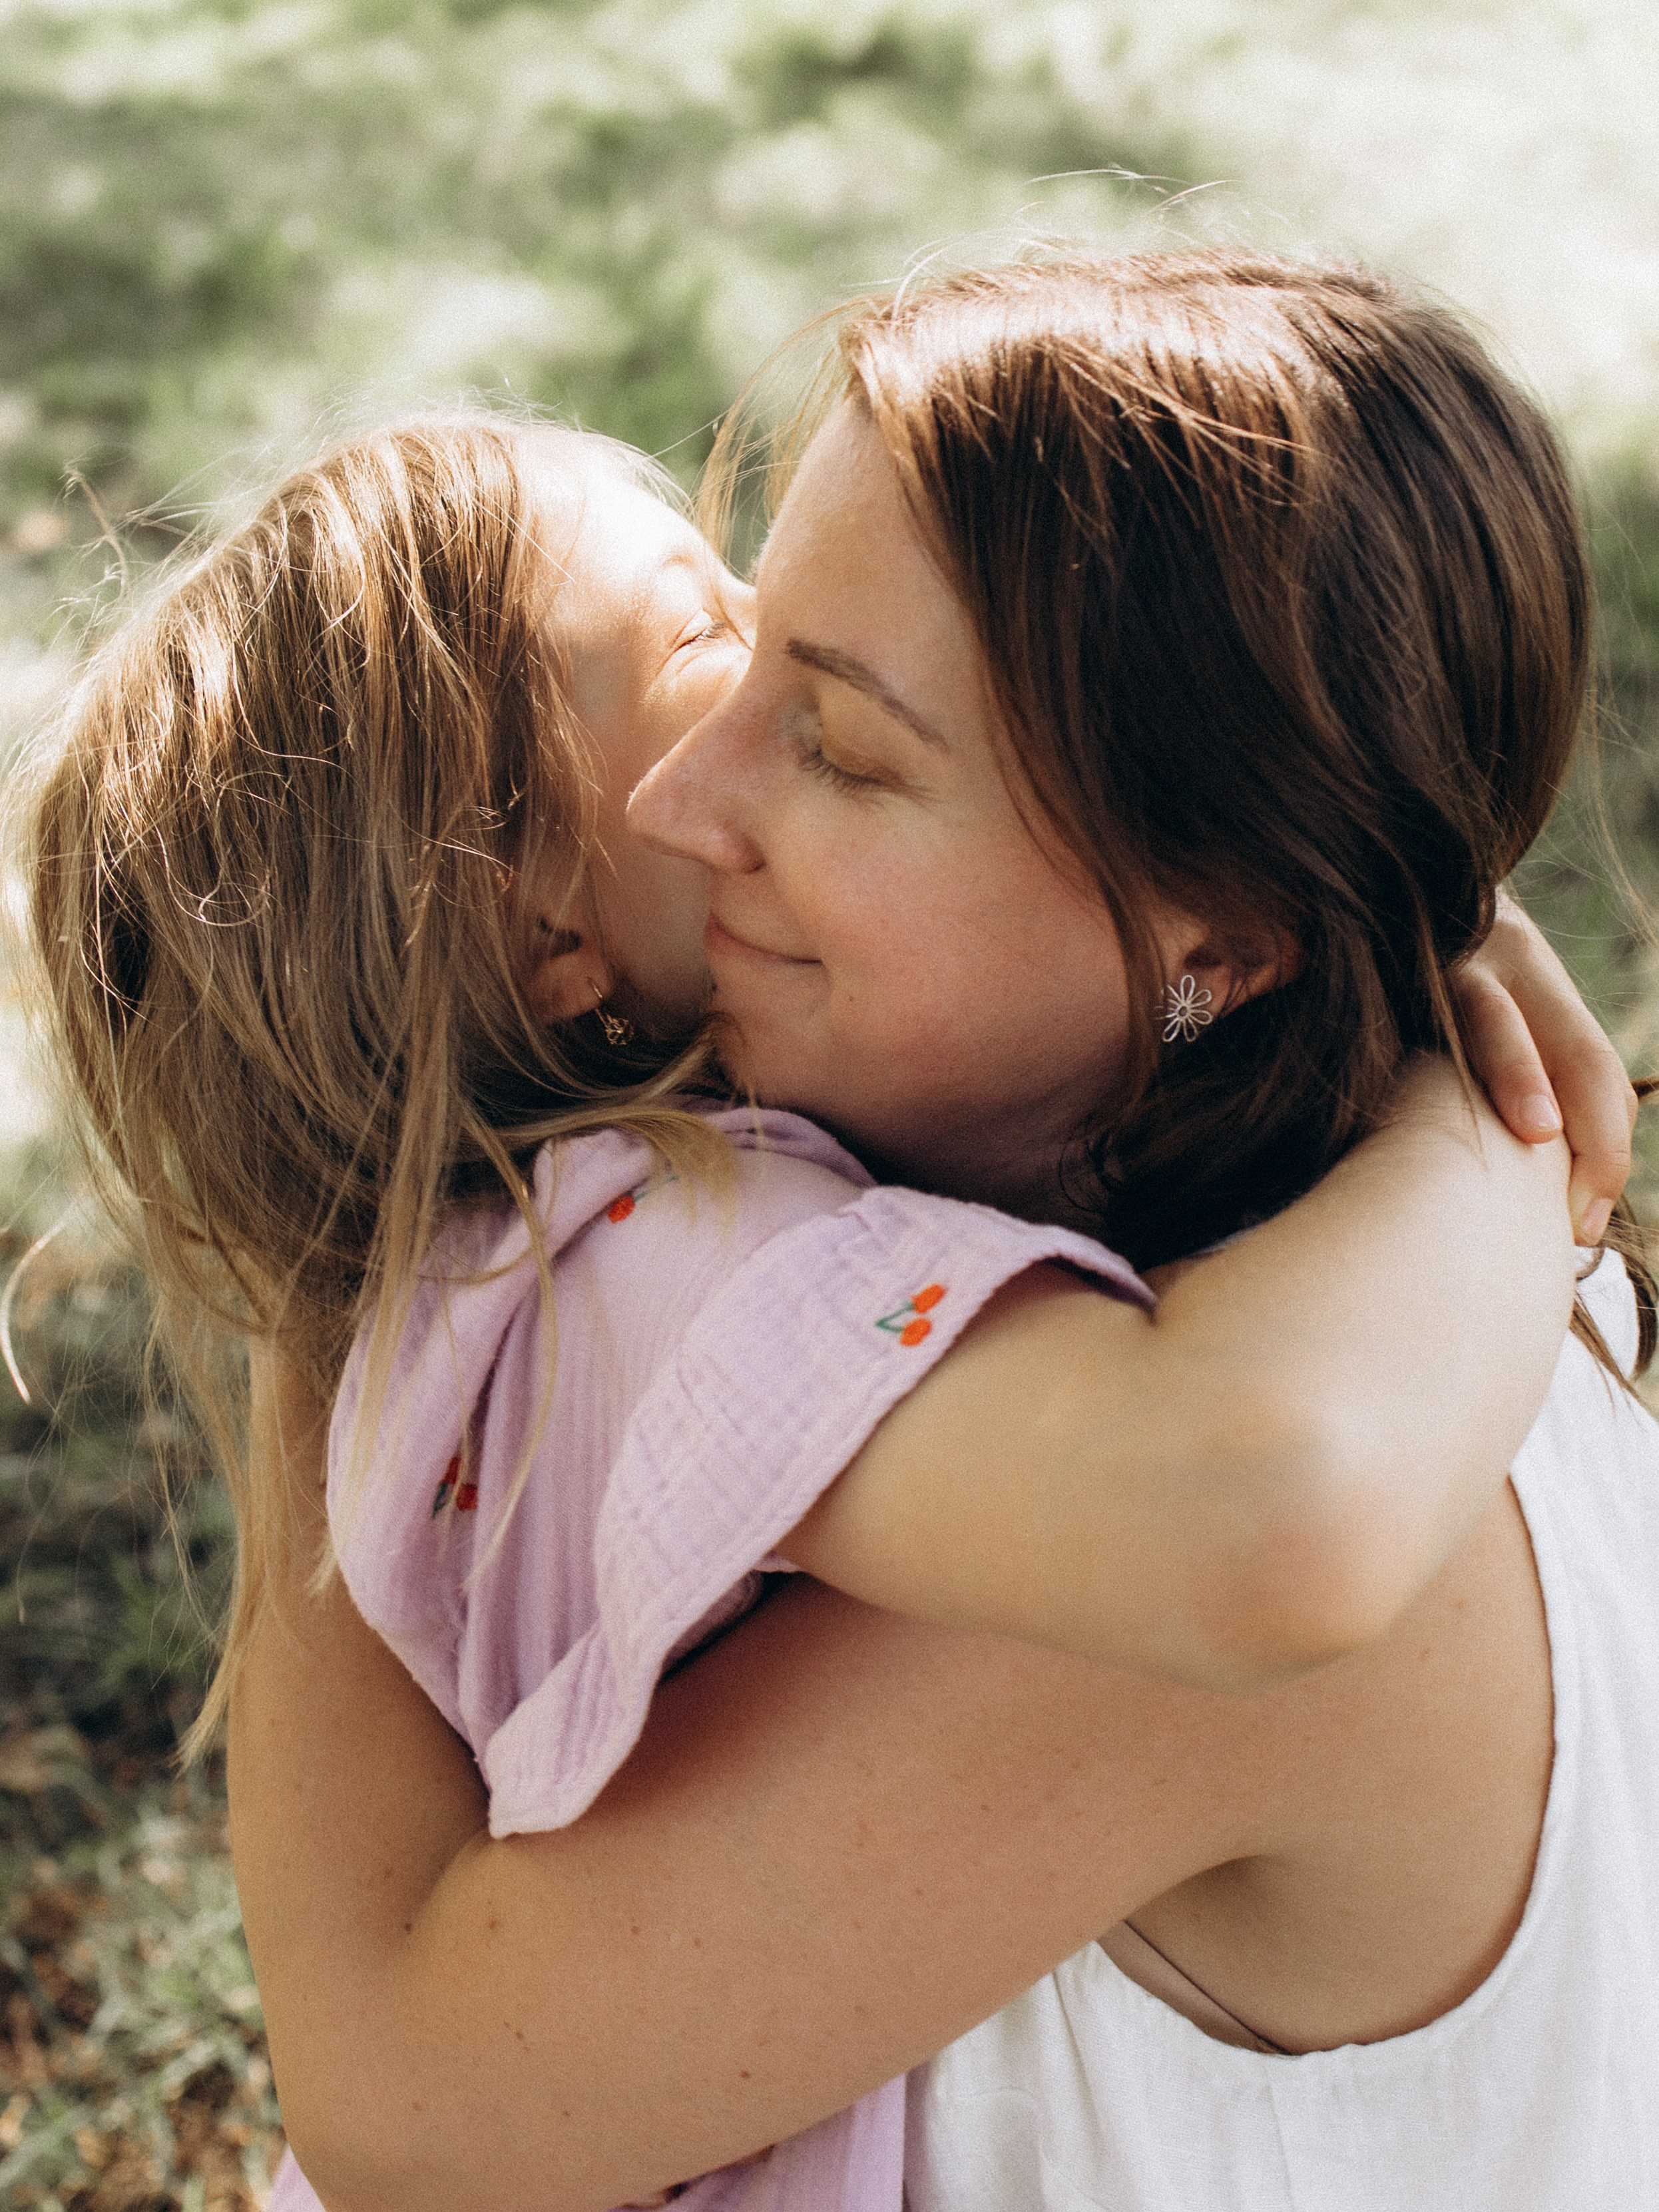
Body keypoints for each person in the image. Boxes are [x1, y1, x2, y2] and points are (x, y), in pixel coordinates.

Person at [26, 253, 1644, 2209]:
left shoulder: (1258, 1507)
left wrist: (1489, 1137)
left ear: (1225, 930)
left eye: (841, 742)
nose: (685, 794)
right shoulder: (1273, 1286)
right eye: (742, 645)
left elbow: (399, 2101)